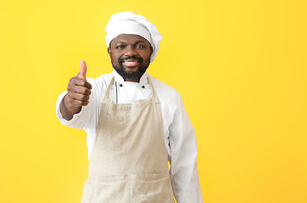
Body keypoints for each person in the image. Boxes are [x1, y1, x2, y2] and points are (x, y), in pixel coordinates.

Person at [55, 11, 203, 203]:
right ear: (110, 51)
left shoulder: (169, 96)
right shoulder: (95, 89)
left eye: (140, 46)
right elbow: (72, 116)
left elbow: (185, 165)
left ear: (151, 51)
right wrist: (70, 101)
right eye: (120, 46)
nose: (130, 52)